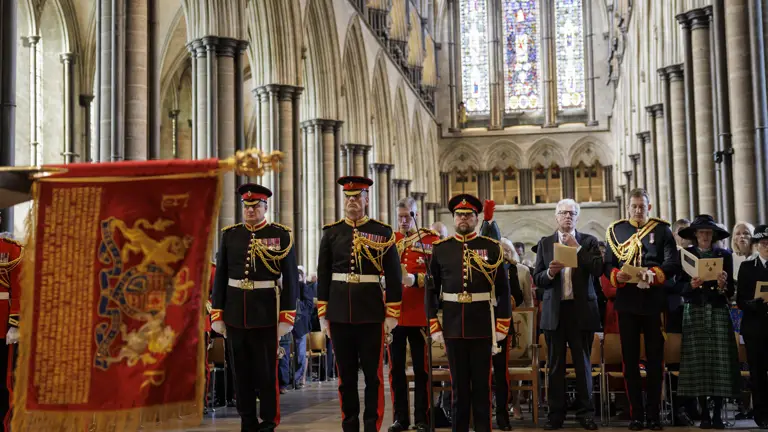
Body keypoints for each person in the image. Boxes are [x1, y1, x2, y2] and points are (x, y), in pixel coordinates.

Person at [210, 183, 299, 432]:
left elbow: (290, 279)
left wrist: (287, 316)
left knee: (266, 373)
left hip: (266, 313)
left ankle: (269, 420)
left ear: (265, 207)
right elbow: (221, 277)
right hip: (236, 313)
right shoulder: (230, 235)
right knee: (240, 373)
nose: (250, 210)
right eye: (246, 206)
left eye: (255, 206)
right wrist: (217, 313)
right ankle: (247, 420)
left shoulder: (280, 235)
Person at [317, 176, 402, 432]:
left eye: (357, 197)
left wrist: (392, 314)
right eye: (348, 197)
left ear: (367, 199)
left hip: (371, 314)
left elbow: (394, 276)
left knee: (373, 378)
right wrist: (323, 314)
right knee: (346, 378)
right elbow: (323, 275)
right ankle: (350, 424)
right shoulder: (332, 233)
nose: (352, 201)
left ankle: (371, 424)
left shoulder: (382, 232)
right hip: (340, 314)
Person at [428, 194, 511, 432]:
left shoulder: (491, 247)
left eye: (468, 215)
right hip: (453, 327)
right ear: (453, 218)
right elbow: (432, 290)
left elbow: (503, 290)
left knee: (482, 388)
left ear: (476, 218)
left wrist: (502, 324)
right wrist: (434, 323)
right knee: (458, 389)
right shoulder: (441, 249)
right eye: (459, 215)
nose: (463, 218)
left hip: (483, 326)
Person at [604, 188, 679, 431]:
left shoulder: (662, 230)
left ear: (649, 207)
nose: (638, 210)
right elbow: (607, 264)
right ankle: (636, 414)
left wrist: (654, 273)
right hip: (627, 302)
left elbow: (672, 263)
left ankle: (654, 414)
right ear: (628, 207)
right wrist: (618, 275)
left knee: (656, 361)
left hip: (653, 302)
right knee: (630, 360)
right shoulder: (616, 231)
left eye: (642, 206)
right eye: (634, 206)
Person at [533, 199, 602, 430]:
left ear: (577, 217)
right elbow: (537, 278)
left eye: (572, 213)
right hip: (556, 311)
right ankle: (556, 414)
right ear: (556, 216)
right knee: (555, 365)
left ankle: (586, 413)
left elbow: (597, 269)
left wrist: (577, 248)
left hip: (581, 310)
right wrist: (550, 274)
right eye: (563, 213)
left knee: (583, 364)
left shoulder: (589, 241)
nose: (567, 217)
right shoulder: (544, 243)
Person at [675, 215, 740, 429]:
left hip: (719, 310)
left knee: (719, 361)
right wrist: (691, 286)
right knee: (699, 363)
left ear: (713, 235)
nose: (705, 235)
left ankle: (718, 414)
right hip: (694, 310)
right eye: (701, 232)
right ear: (695, 234)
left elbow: (730, 292)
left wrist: (723, 285)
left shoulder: (725, 255)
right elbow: (678, 288)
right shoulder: (686, 255)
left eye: (708, 232)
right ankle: (703, 414)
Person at [387, 197, 440, 432]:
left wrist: (417, 280)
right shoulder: (391, 240)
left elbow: (438, 276)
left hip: (419, 314)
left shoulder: (431, 240)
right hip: (395, 315)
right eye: (400, 217)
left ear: (416, 215)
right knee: (396, 370)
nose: (403, 221)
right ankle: (400, 418)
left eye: (407, 216)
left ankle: (422, 418)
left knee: (422, 370)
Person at [478, 201, 522, 430]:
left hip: (501, 323)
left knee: (501, 374)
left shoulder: (508, 268)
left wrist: (508, 302)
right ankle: (483, 416)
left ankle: (503, 415)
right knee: (480, 374)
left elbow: (518, 295)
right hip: (478, 323)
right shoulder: (474, 263)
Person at [736, 224, 768, 430]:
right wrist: (755, 303)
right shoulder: (747, 267)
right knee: (757, 373)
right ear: (757, 246)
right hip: (755, 326)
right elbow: (740, 300)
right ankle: (761, 413)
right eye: (764, 244)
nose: (767, 247)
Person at [0, 226, 22, 427]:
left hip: (1, 324)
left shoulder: (10, 249)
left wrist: (14, 324)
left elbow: (18, 285)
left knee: (2, 382)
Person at [292, 266, 313, 389]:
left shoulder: (303, 287)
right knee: (290, 354)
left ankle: (299, 378)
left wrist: (298, 306)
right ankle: (293, 378)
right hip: (289, 323)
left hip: (300, 324)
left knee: (300, 352)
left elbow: (309, 304)